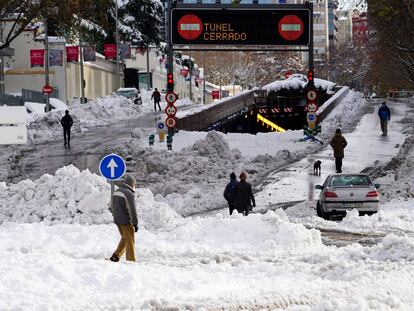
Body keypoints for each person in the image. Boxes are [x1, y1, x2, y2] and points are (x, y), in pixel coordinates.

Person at [109, 174, 138, 262]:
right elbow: (132, 210)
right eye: (134, 184)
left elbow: (112, 207)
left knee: (125, 238)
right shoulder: (128, 193)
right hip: (126, 221)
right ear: (131, 184)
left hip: (117, 220)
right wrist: (135, 223)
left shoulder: (117, 191)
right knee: (130, 240)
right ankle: (131, 260)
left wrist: (115, 216)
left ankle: (116, 255)